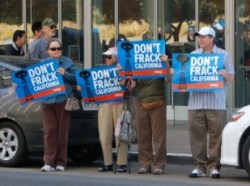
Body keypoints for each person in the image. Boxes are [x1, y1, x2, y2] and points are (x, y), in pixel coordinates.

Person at [188, 26, 235, 178]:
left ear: (212, 38)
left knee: (216, 136)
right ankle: (199, 167)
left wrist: (225, 74)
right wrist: (178, 74)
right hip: (196, 103)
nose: (200, 39)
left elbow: (232, 78)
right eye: (199, 37)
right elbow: (185, 78)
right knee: (197, 136)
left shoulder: (224, 55)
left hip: (216, 103)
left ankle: (214, 166)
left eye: (203, 36)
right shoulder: (192, 55)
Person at [130, 55, 171, 175]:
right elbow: (131, 85)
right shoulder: (137, 66)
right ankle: (144, 164)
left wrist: (166, 63)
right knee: (143, 136)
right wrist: (122, 74)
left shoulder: (159, 64)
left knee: (159, 137)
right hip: (141, 101)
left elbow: (168, 79)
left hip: (158, 101)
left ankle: (159, 165)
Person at [40, 39, 76, 172]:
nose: (56, 51)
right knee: (49, 131)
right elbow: (32, 81)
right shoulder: (42, 64)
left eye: (58, 48)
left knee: (62, 132)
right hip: (47, 101)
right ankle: (48, 162)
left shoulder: (67, 62)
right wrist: (19, 84)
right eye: (53, 49)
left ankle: (61, 162)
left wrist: (65, 73)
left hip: (63, 100)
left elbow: (76, 78)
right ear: (48, 51)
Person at [97, 47, 128, 173]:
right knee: (104, 134)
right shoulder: (101, 70)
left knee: (120, 134)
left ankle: (122, 162)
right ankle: (107, 162)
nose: (106, 59)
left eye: (109, 57)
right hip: (104, 104)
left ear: (116, 58)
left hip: (119, 103)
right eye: (106, 57)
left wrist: (122, 76)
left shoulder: (123, 69)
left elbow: (130, 85)